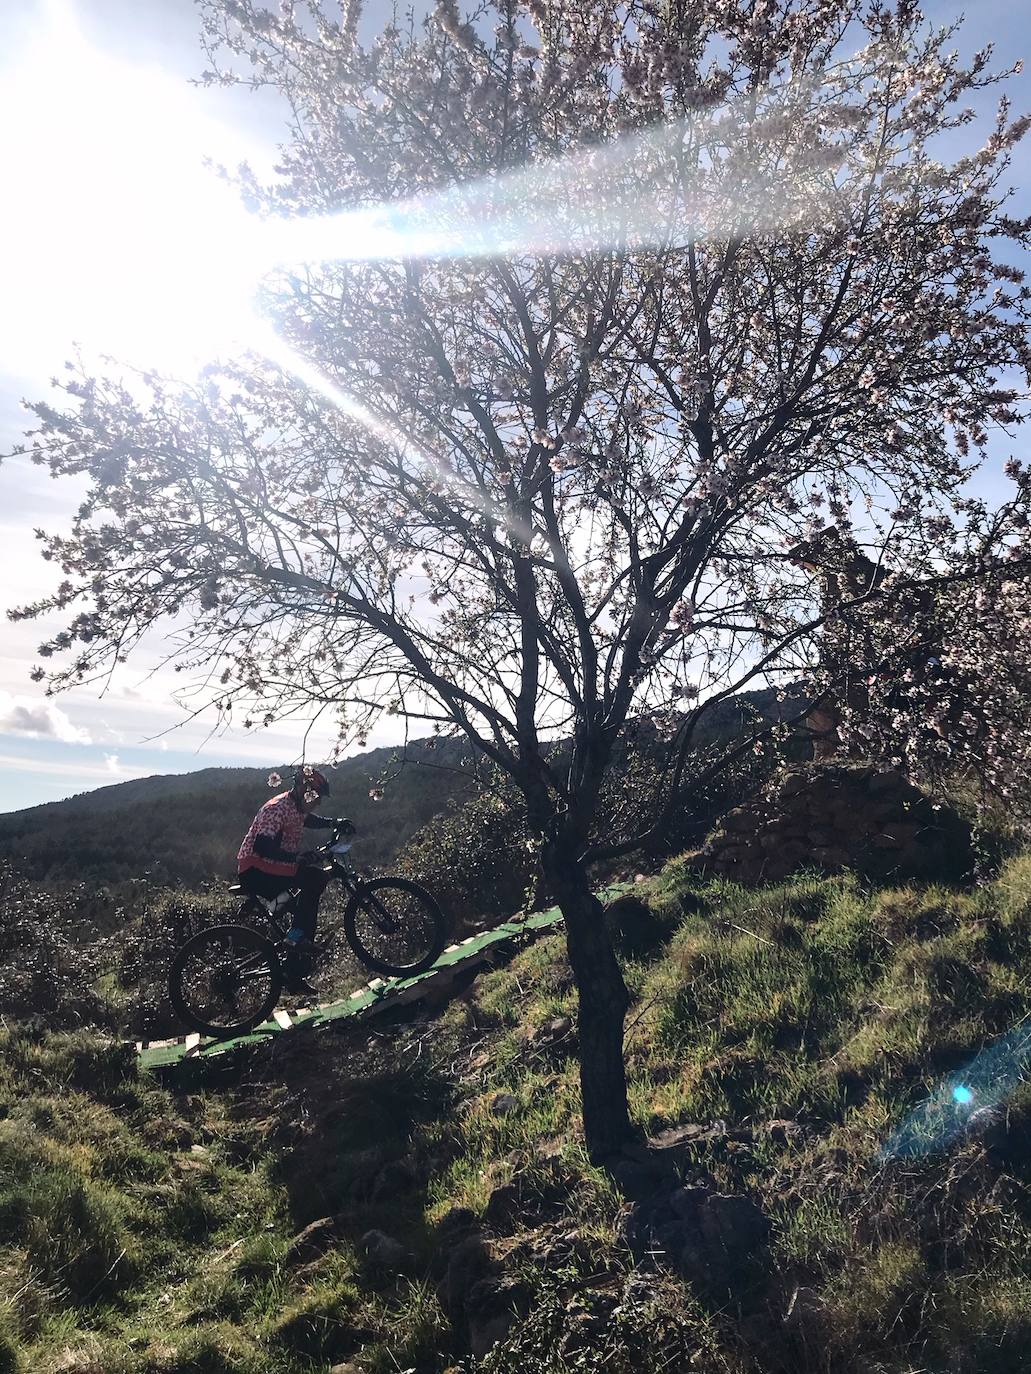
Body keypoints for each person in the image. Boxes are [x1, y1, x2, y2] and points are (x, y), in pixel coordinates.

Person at [237, 766, 353, 995]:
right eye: (316, 797)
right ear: (303, 790)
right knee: (315, 878)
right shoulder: (277, 808)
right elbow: (262, 845)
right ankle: (296, 938)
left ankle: (294, 975)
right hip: (256, 868)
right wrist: (295, 857)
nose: (318, 802)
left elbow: (307, 819)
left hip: (271, 867)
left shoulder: (296, 806)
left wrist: (334, 822)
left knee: (302, 910)